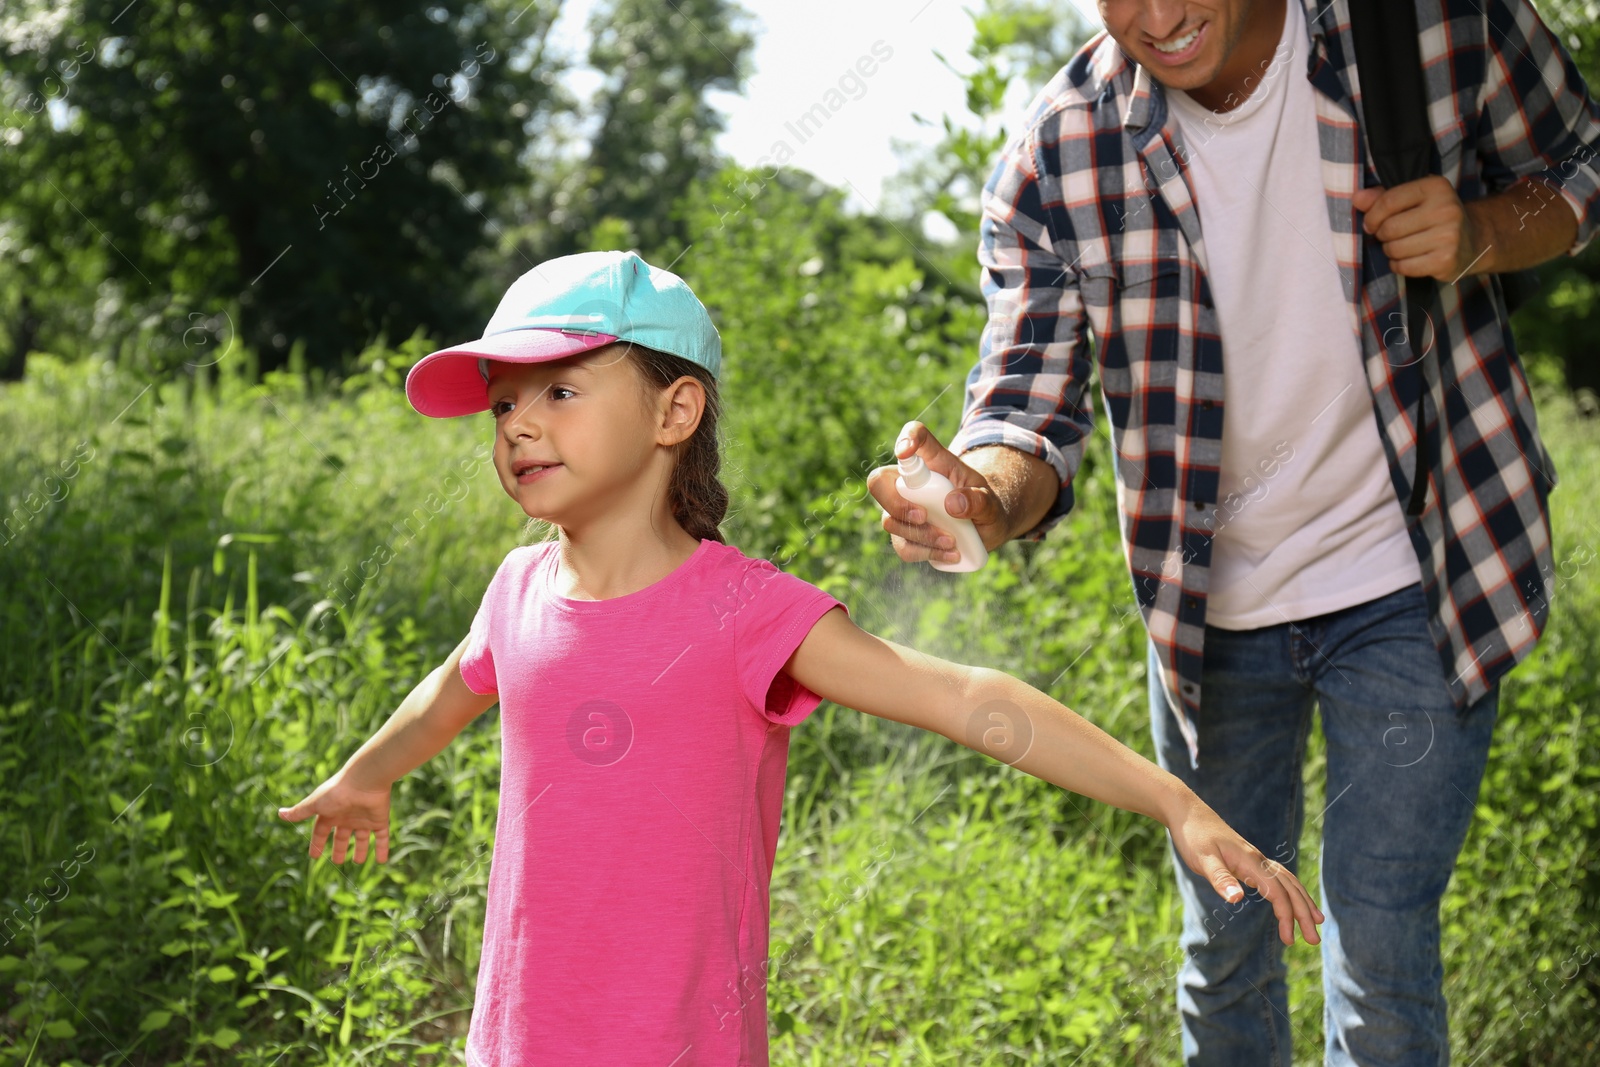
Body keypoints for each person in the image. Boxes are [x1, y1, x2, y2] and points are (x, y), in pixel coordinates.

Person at [276, 249, 1322, 1065]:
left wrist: (1172, 800)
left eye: (560, 391)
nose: (517, 426)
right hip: (516, 1035)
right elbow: (452, 688)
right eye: (505, 402)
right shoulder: (515, 589)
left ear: (673, 411)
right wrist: (367, 774)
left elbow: (964, 697)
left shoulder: (741, 611)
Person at [868, 0, 1599, 1064]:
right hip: (1211, 622)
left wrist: (1483, 231)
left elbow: (1580, 156)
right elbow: (1024, 410)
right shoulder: (1059, 153)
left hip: (1414, 577)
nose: (1157, 18)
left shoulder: (1422, 26)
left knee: (1383, 952)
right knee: (1224, 948)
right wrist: (977, 492)